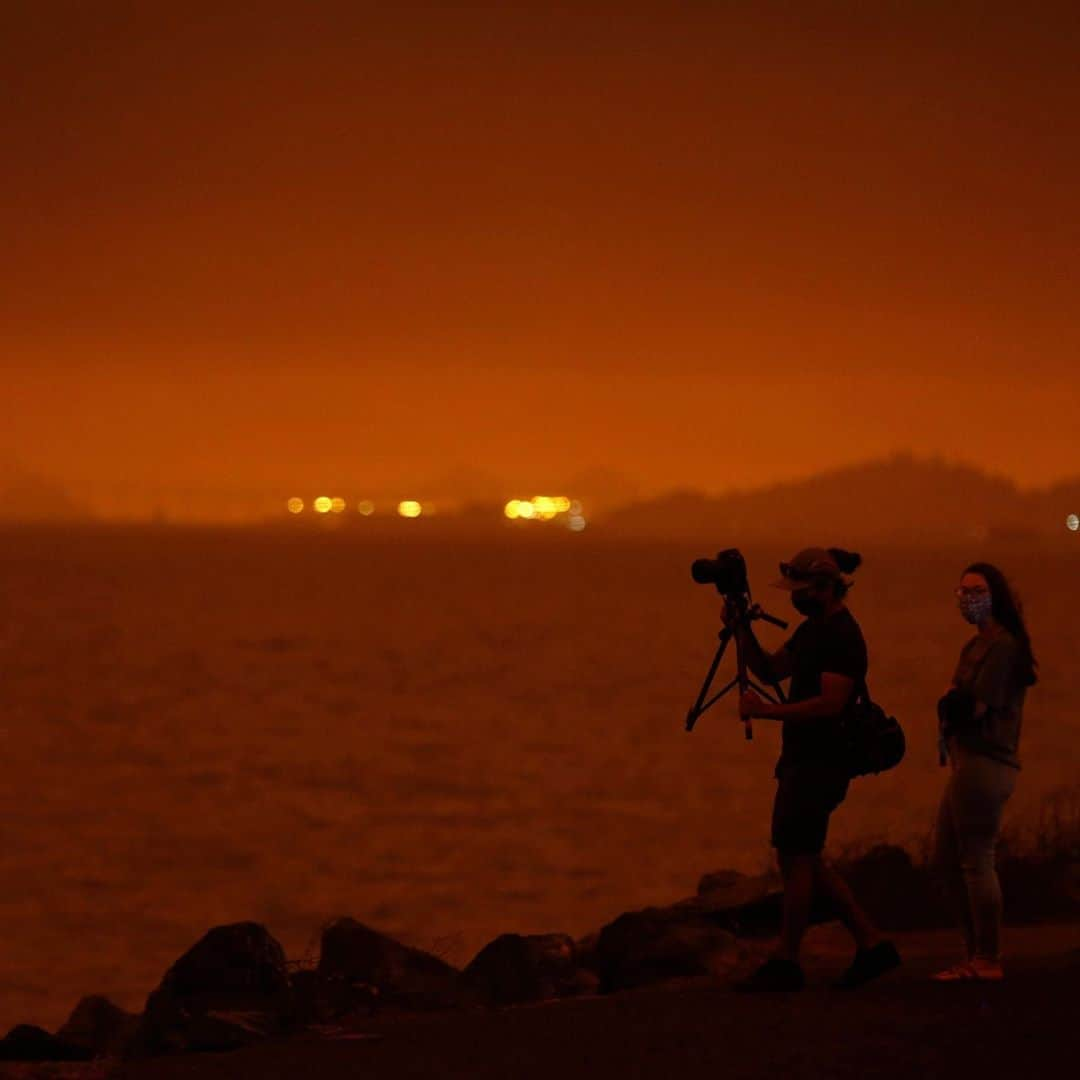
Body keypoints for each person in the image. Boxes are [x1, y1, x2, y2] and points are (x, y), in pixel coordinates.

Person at [728, 546, 900, 992]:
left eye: (802, 591)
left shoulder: (842, 636)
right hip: (803, 758)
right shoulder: (812, 631)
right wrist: (741, 630)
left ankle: (786, 959)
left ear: (826, 587)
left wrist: (765, 714)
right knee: (802, 854)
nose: (795, 599)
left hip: (822, 761)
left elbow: (830, 705)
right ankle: (872, 943)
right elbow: (769, 669)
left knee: (796, 855)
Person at [931, 562, 1036, 981]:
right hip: (964, 759)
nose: (968, 599)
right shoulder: (973, 647)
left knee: (976, 858)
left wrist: (954, 702)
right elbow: (954, 700)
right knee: (945, 859)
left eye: (976, 590)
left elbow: (968, 706)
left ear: (995, 594)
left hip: (986, 759)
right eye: (962, 592)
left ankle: (987, 957)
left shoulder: (1004, 648)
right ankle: (973, 951)